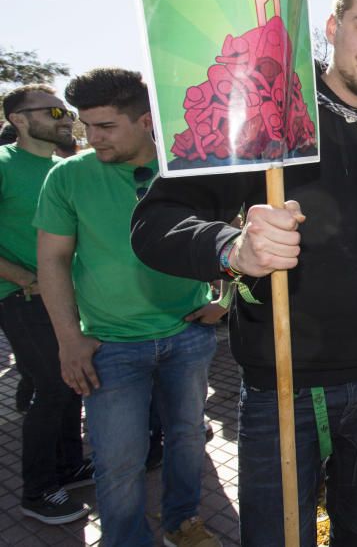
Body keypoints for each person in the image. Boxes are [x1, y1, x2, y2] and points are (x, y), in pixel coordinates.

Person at [132, 0, 357, 546]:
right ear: (331, 28)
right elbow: (153, 224)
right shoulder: (270, 118)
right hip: (284, 388)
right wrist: (233, 248)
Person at [34, 68, 223, 546]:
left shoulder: (188, 169)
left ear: (144, 120)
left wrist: (227, 299)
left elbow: (231, 235)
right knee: (119, 460)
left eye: (104, 127)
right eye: (85, 125)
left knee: (186, 440)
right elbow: (53, 261)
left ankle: (182, 522)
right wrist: (69, 340)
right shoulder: (68, 177)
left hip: (187, 334)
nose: (90, 137)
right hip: (110, 346)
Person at [0, 85, 93, 525]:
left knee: (73, 379)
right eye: (54, 110)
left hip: (66, 297)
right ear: (19, 119)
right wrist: (25, 278)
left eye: (67, 110)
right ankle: (37, 491)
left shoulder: (66, 168)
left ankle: (69, 465)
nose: (65, 117)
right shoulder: (2, 165)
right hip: (21, 298)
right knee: (51, 387)